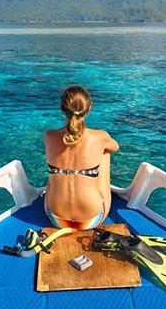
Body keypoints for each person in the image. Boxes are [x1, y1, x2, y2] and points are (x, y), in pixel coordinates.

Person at [43, 85, 119, 229]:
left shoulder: (49, 136)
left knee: (56, 167)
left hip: (55, 216)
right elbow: (116, 147)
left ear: (62, 108)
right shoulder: (100, 137)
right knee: (105, 152)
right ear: (89, 108)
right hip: (92, 219)